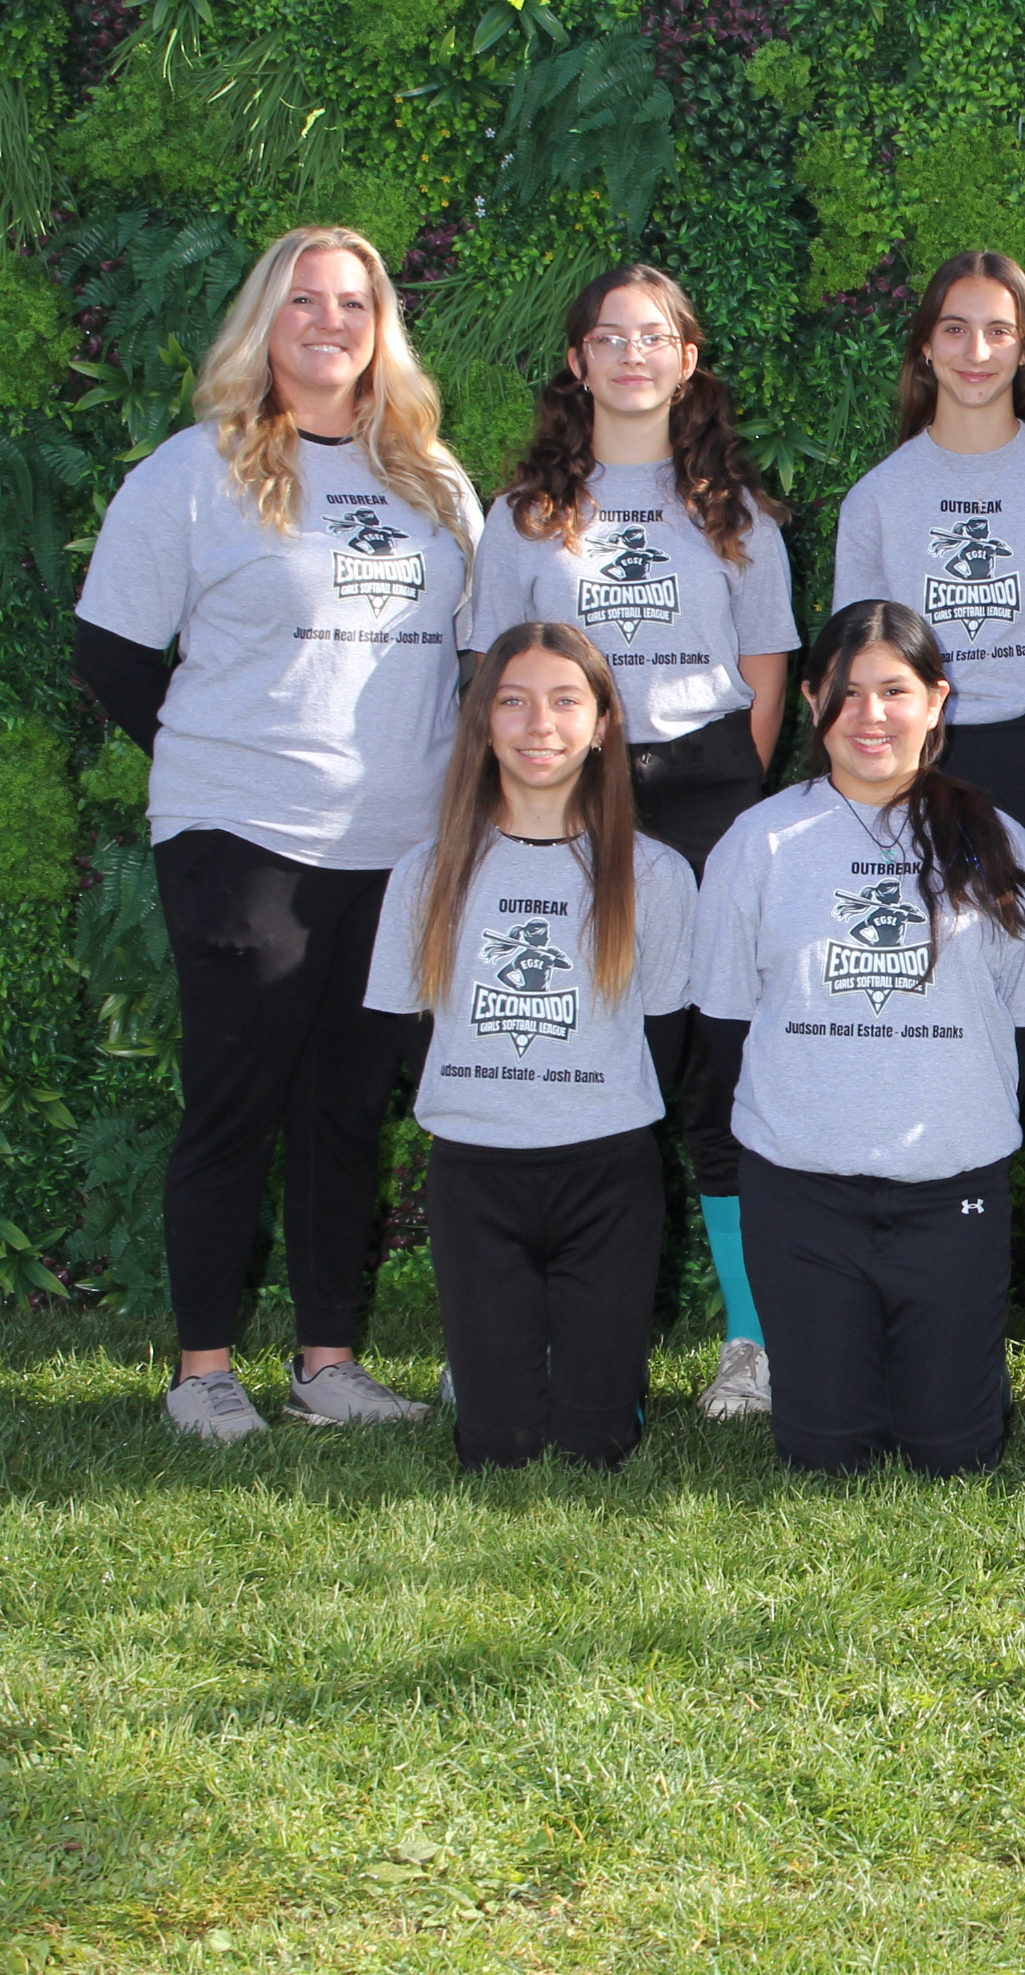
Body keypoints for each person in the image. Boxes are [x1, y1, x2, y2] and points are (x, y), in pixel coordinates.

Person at [74, 223, 475, 1443]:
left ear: (381, 328)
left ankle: (327, 1365)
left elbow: (471, 665)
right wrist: (216, 758)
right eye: (304, 300)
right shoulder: (194, 473)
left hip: (397, 848)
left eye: (354, 303)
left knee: (347, 1112)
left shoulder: (433, 483)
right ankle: (201, 1372)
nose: (330, 323)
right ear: (265, 321)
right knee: (235, 1104)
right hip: (243, 835)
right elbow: (111, 652)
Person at [471, 262, 795, 1427]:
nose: (631, 356)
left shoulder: (739, 514)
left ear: (688, 359)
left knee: (713, 1073)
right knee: (574, 1053)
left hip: (705, 794)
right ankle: (534, 1328)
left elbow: (767, 677)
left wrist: (729, 795)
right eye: (608, 337)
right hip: (568, 797)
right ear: (578, 361)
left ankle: (751, 1340)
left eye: (654, 336)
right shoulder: (523, 516)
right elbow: (493, 677)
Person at [834, 251, 1025, 1435]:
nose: (974, 351)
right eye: (953, 329)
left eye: (997, 330)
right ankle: (907, 1328)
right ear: (925, 347)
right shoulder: (880, 496)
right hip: (918, 776)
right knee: (923, 1030)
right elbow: (860, 670)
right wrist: (930, 774)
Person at [693, 600, 1025, 1477]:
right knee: (827, 1451)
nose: (870, 715)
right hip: (802, 1192)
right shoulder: (760, 842)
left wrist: (945, 1100)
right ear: (812, 699)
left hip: (949, 1189)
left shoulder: (1000, 843)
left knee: (953, 1453)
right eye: (848, 691)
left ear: (936, 700)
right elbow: (724, 1023)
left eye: (895, 691)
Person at [363, 623, 697, 1469]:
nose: (539, 725)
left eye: (564, 702)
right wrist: (490, 1094)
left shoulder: (654, 874)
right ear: (482, 723)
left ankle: (599, 1371)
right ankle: (496, 1371)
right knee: (497, 1447)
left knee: (596, 1446)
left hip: (607, 1173)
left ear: (603, 724)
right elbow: (408, 1027)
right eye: (512, 702)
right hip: (476, 1173)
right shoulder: (426, 872)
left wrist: (585, 1096)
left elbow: (667, 1029)